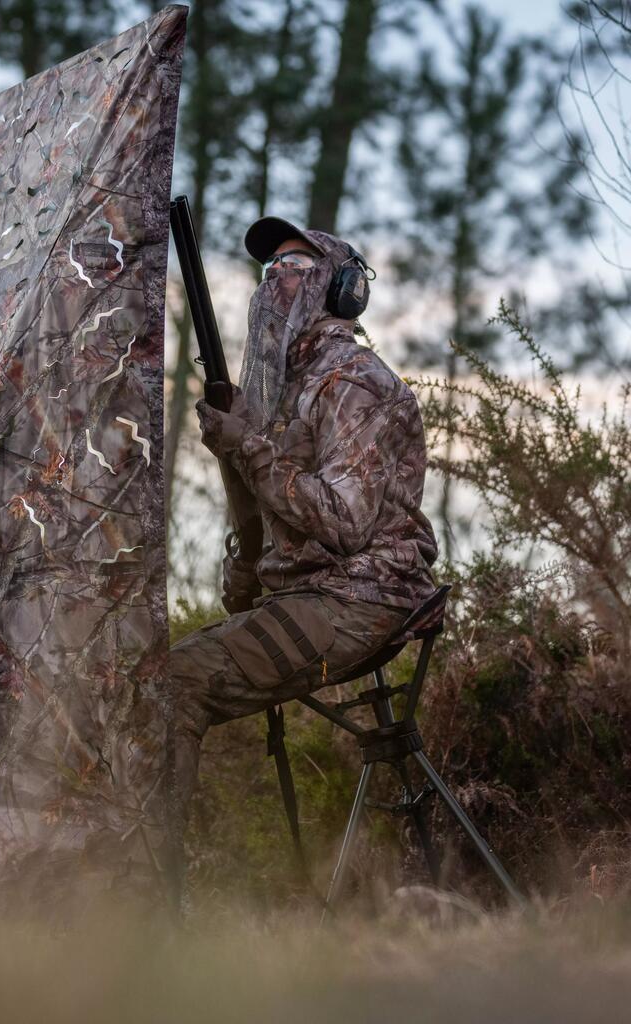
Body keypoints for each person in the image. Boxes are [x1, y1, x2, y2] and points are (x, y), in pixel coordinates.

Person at [170, 214, 439, 847]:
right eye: (269, 272)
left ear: (339, 290)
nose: (274, 285)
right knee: (158, 673)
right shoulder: (283, 395)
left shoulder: (355, 382)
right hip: (317, 596)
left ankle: (147, 896)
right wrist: (244, 557)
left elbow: (345, 522)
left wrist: (252, 449)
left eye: (294, 270)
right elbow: (272, 518)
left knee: (176, 680)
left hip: (365, 599)